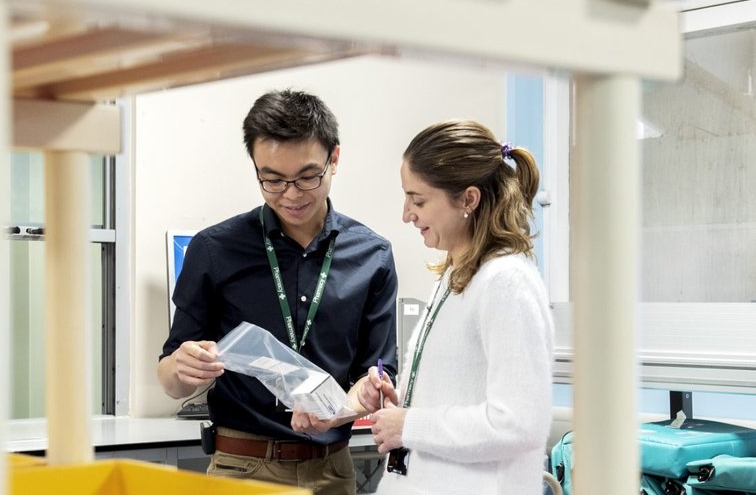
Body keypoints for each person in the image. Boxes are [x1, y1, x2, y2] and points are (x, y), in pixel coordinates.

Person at [157, 89, 398, 495]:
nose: (290, 194)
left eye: (307, 176)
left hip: (333, 471)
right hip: (242, 468)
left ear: (334, 159)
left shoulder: (372, 255)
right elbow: (170, 376)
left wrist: (342, 411)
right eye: (271, 179)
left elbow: (375, 374)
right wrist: (181, 370)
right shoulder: (215, 249)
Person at [367, 119, 554, 494]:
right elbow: (456, 392)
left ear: (468, 199)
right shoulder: (455, 276)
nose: (407, 214)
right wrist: (400, 400)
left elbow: (518, 423)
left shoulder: (506, 282)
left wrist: (409, 424)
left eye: (418, 200)